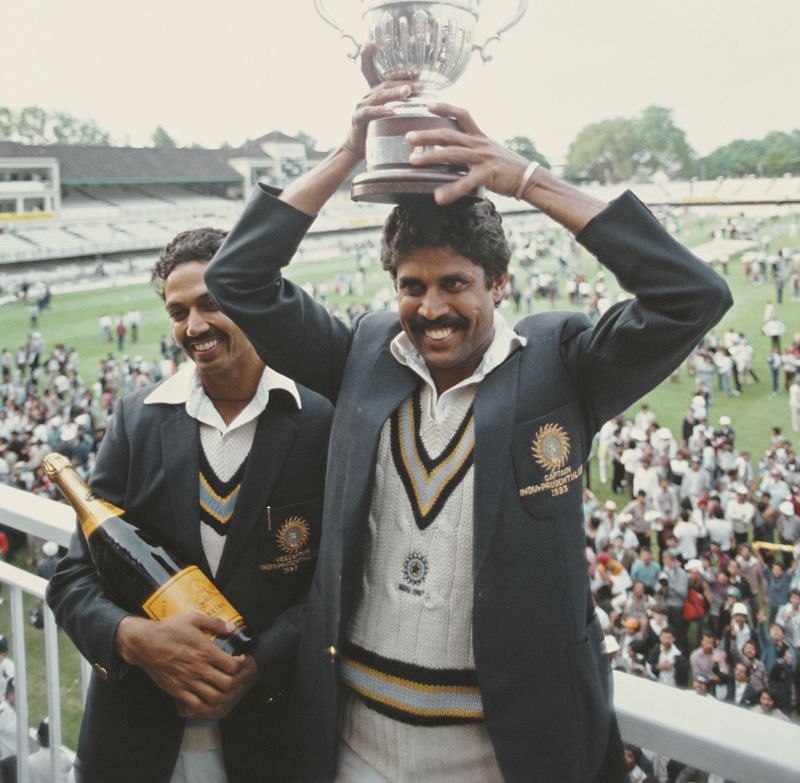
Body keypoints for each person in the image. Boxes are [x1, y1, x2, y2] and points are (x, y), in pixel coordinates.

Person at [206, 77, 732, 783]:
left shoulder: (560, 363)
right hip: (355, 744)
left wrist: (526, 179)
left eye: (455, 283)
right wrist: (344, 155)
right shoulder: (361, 353)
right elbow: (237, 277)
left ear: (499, 283)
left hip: (501, 754)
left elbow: (692, 295)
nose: (432, 308)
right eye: (412, 286)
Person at [46, 227, 333, 783]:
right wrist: (135, 639)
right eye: (178, 312)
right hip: (136, 741)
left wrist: (258, 664)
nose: (194, 326)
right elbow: (74, 576)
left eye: (211, 303)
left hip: (269, 739)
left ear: (250, 299)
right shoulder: (137, 419)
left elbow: (331, 583)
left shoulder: (317, 418)